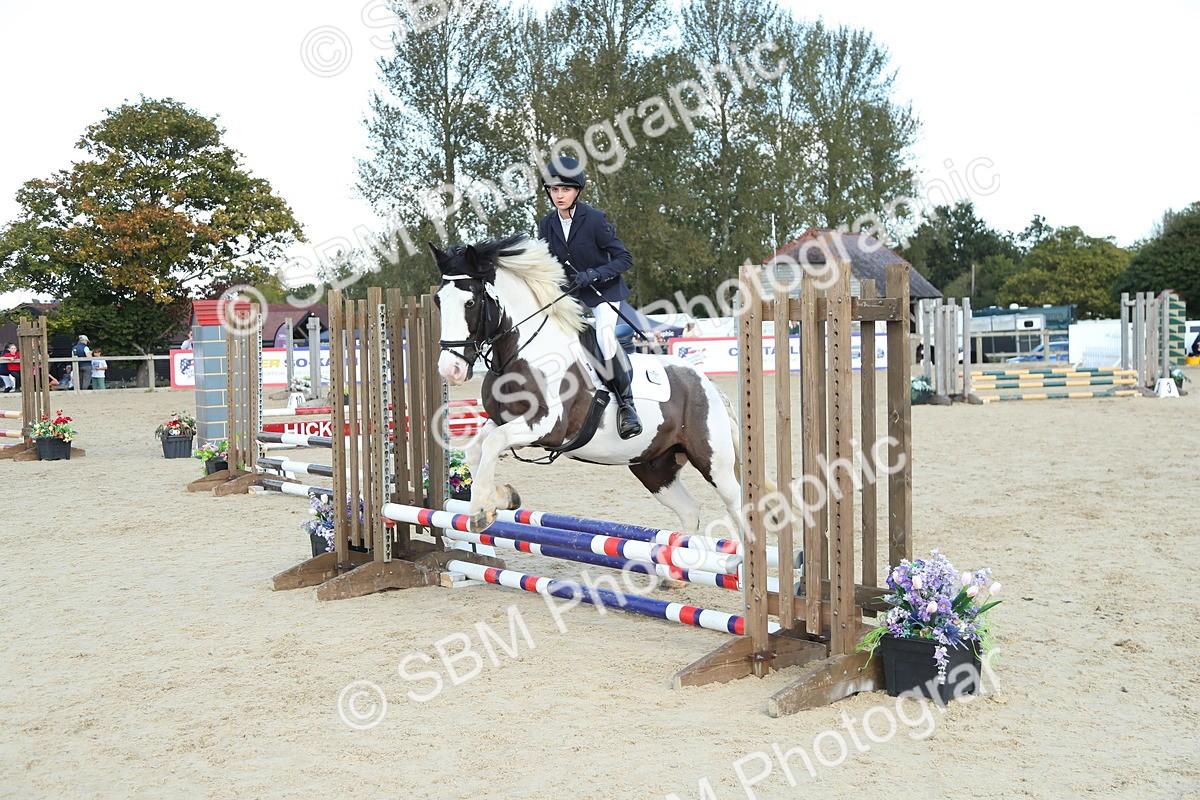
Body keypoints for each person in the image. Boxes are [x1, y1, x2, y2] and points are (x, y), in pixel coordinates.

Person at [536, 156, 641, 439]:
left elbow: (624, 258)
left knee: (605, 339)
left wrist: (594, 273)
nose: (559, 195)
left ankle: (627, 406)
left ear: (577, 191)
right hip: (571, 294)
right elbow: (548, 262)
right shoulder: (546, 225)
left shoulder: (594, 219)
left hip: (603, 290)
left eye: (565, 190)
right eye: (554, 190)